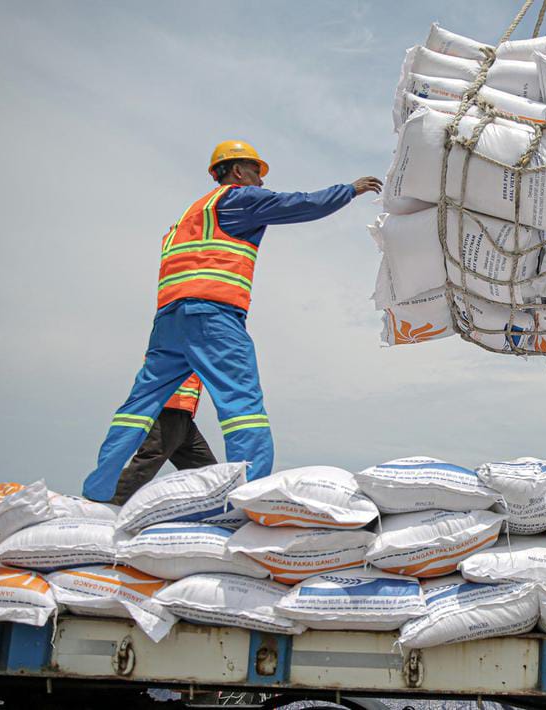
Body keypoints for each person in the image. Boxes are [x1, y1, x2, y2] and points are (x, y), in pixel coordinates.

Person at [82, 140, 382, 502]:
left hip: (168, 321)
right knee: (242, 404)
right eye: (256, 171)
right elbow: (299, 204)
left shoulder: (190, 215)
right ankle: (250, 496)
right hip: (213, 316)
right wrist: (348, 190)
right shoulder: (238, 199)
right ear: (238, 171)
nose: (260, 180)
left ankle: (97, 491)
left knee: (137, 408)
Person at [108, 374, 216, 505]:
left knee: (207, 471)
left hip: (183, 415)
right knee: (148, 462)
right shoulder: (183, 352)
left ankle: (220, 505)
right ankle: (112, 501)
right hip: (168, 410)